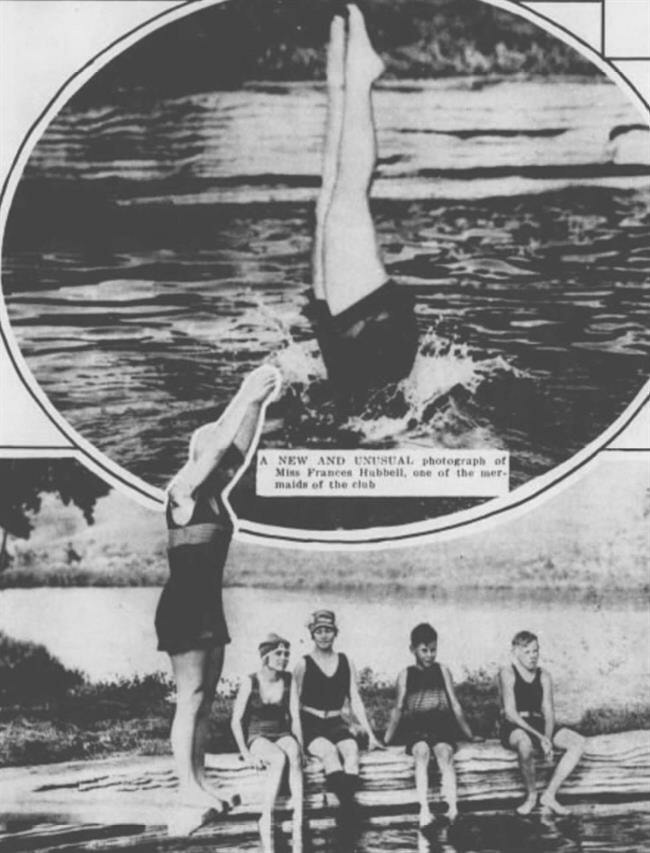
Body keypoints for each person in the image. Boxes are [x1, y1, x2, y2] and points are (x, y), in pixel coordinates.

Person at [155, 364, 279, 834]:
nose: (221, 461)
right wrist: (243, 391)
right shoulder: (181, 491)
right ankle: (186, 787)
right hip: (183, 607)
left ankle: (201, 782)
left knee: (205, 701)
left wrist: (256, 403)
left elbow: (238, 450)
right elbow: (220, 445)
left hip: (208, 607)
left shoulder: (215, 497)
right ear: (198, 456)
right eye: (212, 454)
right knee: (189, 699)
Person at [310, 5, 419, 400]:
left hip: (359, 340)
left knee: (332, 197)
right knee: (345, 196)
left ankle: (343, 80)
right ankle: (356, 82)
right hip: (370, 338)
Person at [384, 623, 481, 827]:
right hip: (417, 727)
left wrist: (469, 735)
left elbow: (454, 703)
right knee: (421, 752)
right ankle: (424, 810)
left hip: (440, 725)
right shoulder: (406, 674)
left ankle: (452, 808)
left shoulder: (442, 670)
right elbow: (399, 708)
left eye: (433, 650)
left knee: (444, 752)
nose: (429, 655)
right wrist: (386, 739)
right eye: (424, 650)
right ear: (413, 650)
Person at [293, 609, 382, 821]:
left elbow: (355, 698)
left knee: (351, 751)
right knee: (330, 752)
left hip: (335, 721)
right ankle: (349, 811)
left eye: (328, 631)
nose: (324, 635)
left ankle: (345, 810)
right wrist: (298, 741)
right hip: (310, 723)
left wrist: (370, 734)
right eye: (319, 631)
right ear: (312, 634)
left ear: (336, 633)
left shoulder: (345, 661)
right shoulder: (303, 663)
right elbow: (292, 707)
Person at [499, 630, 586, 816]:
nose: (533, 656)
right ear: (516, 652)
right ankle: (531, 796)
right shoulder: (508, 673)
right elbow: (510, 713)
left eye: (536, 651)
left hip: (537, 722)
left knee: (578, 742)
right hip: (516, 725)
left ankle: (549, 794)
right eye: (528, 652)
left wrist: (546, 738)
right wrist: (540, 737)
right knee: (525, 743)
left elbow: (548, 712)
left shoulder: (544, 675)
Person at [231, 633, 304, 853]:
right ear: (265, 657)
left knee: (294, 754)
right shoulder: (250, 681)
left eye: (286, 654)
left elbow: (295, 717)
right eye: (278, 653)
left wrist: (301, 746)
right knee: (278, 758)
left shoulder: (289, 679)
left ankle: (299, 823)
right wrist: (246, 753)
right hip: (258, 736)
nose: (284, 658)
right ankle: (267, 817)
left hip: (282, 732)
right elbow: (236, 721)